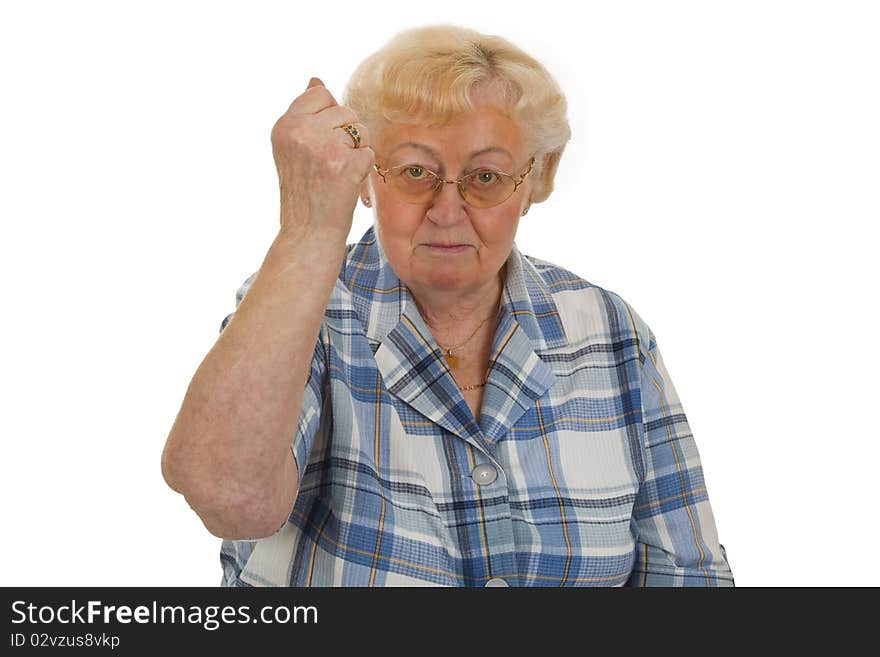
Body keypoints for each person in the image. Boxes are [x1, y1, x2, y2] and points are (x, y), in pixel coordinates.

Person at [161, 24, 734, 587]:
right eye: (415, 172)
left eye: (485, 176)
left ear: (536, 178)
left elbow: (690, 576)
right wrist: (307, 228)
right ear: (365, 179)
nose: (447, 209)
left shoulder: (609, 332)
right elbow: (227, 500)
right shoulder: (305, 307)